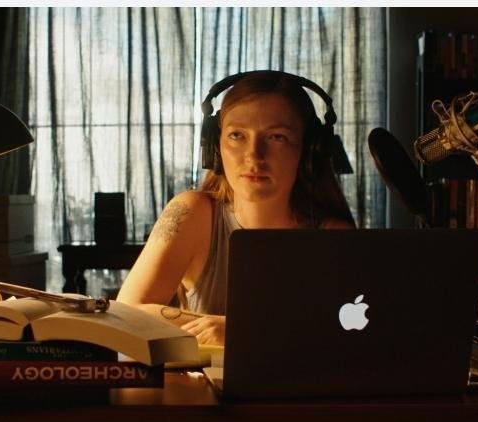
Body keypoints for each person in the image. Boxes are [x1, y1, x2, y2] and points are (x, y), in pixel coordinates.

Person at [116, 71, 355, 346]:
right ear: (215, 147)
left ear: (309, 151)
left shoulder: (333, 237)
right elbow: (126, 312)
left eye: (277, 137)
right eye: (237, 135)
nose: (254, 155)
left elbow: (346, 339)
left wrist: (244, 330)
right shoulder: (191, 213)